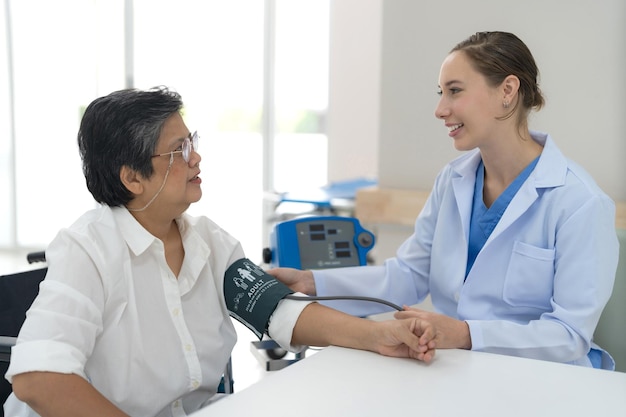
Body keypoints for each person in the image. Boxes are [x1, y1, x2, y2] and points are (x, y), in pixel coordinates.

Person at [3, 87, 436, 417]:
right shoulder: (87, 250)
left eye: (191, 141)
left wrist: (378, 336)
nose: (197, 157)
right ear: (133, 178)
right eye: (179, 150)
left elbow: (280, 312)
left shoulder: (208, 242)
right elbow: (37, 377)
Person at [269, 31, 619, 369]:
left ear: (508, 91)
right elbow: (407, 275)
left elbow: (569, 335)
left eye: (455, 91)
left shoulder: (579, 202)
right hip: (460, 368)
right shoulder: (453, 181)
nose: (440, 109)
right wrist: (311, 283)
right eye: (441, 93)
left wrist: (466, 334)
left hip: (546, 380)